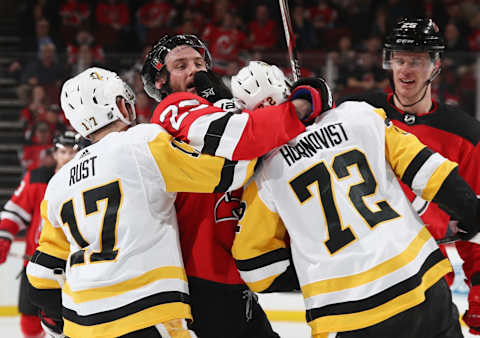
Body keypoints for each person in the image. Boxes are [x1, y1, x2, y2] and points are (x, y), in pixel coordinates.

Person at [25, 66, 312, 338]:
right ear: (122, 107)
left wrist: (60, 320)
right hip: (149, 316)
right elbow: (227, 171)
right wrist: (271, 123)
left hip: (82, 325)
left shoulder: (58, 183)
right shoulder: (141, 143)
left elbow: (40, 277)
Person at [230, 66, 480, 337]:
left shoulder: (263, 176)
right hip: (420, 282)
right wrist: (471, 213)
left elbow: (258, 268)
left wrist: (310, 264)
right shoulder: (358, 115)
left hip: (349, 312)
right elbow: (428, 169)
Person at [141, 35, 328, 338]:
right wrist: (302, 105)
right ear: (161, 81)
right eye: (181, 65)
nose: (195, 71)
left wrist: (283, 103)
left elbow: (265, 141)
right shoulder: (172, 110)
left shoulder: (225, 110)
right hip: (201, 276)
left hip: (236, 277)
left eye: (200, 64)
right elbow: (241, 136)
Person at [336, 17, 480, 335]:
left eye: (416, 61)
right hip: (364, 281)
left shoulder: (465, 134)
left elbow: (475, 217)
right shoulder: (358, 114)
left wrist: (479, 286)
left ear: (436, 65)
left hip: (430, 283)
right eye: (399, 59)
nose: (404, 70)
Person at [0, 131, 79, 338]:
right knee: (30, 321)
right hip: (36, 264)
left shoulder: (89, 179)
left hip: (75, 267)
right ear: (55, 154)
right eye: (63, 152)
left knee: (70, 323)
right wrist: (4, 237)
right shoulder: (38, 179)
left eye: (73, 152)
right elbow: (14, 211)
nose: (68, 157)